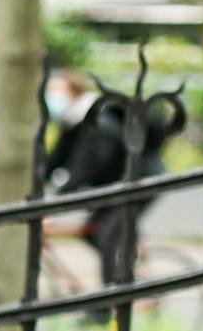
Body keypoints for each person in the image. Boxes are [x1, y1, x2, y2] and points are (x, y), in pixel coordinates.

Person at [43, 70, 173, 291]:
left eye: (57, 91)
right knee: (92, 233)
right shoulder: (74, 121)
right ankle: (123, 269)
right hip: (116, 186)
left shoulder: (99, 120)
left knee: (106, 235)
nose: (53, 98)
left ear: (74, 92)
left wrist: (61, 197)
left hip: (140, 182)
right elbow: (58, 157)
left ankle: (112, 299)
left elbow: (91, 162)